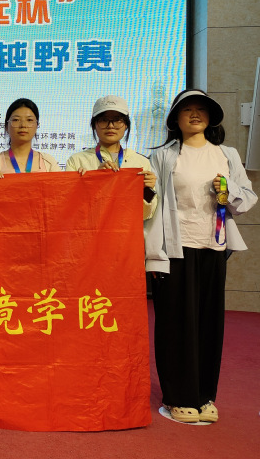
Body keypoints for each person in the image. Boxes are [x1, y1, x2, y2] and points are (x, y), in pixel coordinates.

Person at [144, 89, 256, 424]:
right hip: (174, 250)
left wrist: (228, 191)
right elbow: (152, 205)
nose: (195, 115)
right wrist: (151, 255)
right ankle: (177, 397)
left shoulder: (227, 154)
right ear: (175, 119)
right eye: (187, 110)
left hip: (214, 247)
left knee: (209, 324)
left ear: (211, 117)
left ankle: (205, 396)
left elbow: (247, 197)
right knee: (175, 324)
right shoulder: (163, 156)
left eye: (201, 110)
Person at [66, 95, 158, 219]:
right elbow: (70, 208)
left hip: (126, 230)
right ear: (94, 124)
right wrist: (94, 182)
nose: (110, 126)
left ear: (126, 125)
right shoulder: (77, 160)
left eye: (117, 120)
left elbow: (147, 215)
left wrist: (147, 190)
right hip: (89, 230)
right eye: (104, 120)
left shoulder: (141, 162)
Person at [0, 98, 60, 176]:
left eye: (29, 120)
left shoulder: (49, 162)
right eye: (16, 120)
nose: (23, 125)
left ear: (37, 126)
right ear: (6, 126)